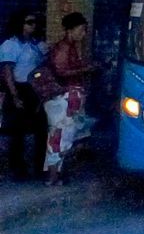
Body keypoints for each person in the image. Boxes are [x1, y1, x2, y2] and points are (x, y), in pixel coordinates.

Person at [42, 13, 95, 184]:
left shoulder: (70, 47)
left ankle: (57, 174)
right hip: (62, 97)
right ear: (71, 30)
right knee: (59, 137)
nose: (83, 33)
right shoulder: (64, 48)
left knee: (63, 137)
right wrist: (86, 69)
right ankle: (53, 177)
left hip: (68, 97)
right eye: (81, 29)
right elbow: (61, 71)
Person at [0, 12, 49, 181]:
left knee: (42, 129)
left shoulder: (35, 44)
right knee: (18, 131)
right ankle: (18, 169)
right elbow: (7, 72)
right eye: (29, 22)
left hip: (35, 89)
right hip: (19, 88)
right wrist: (14, 95)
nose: (33, 25)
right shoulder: (11, 45)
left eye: (34, 22)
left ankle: (39, 166)